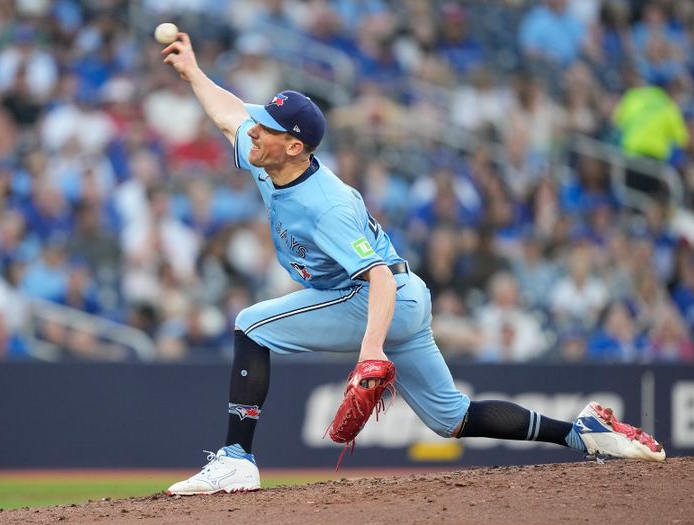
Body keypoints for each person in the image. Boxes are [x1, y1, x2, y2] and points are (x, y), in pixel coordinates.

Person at [160, 33, 665, 496]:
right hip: (406, 297)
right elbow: (230, 114)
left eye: (266, 128)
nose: (254, 131)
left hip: (377, 298)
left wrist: (371, 351)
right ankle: (581, 436)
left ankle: (237, 458)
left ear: (294, 146)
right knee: (453, 419)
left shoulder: (325, 207)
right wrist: (193, 72)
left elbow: (376, 276)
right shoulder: (266, 152)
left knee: (253, 327)